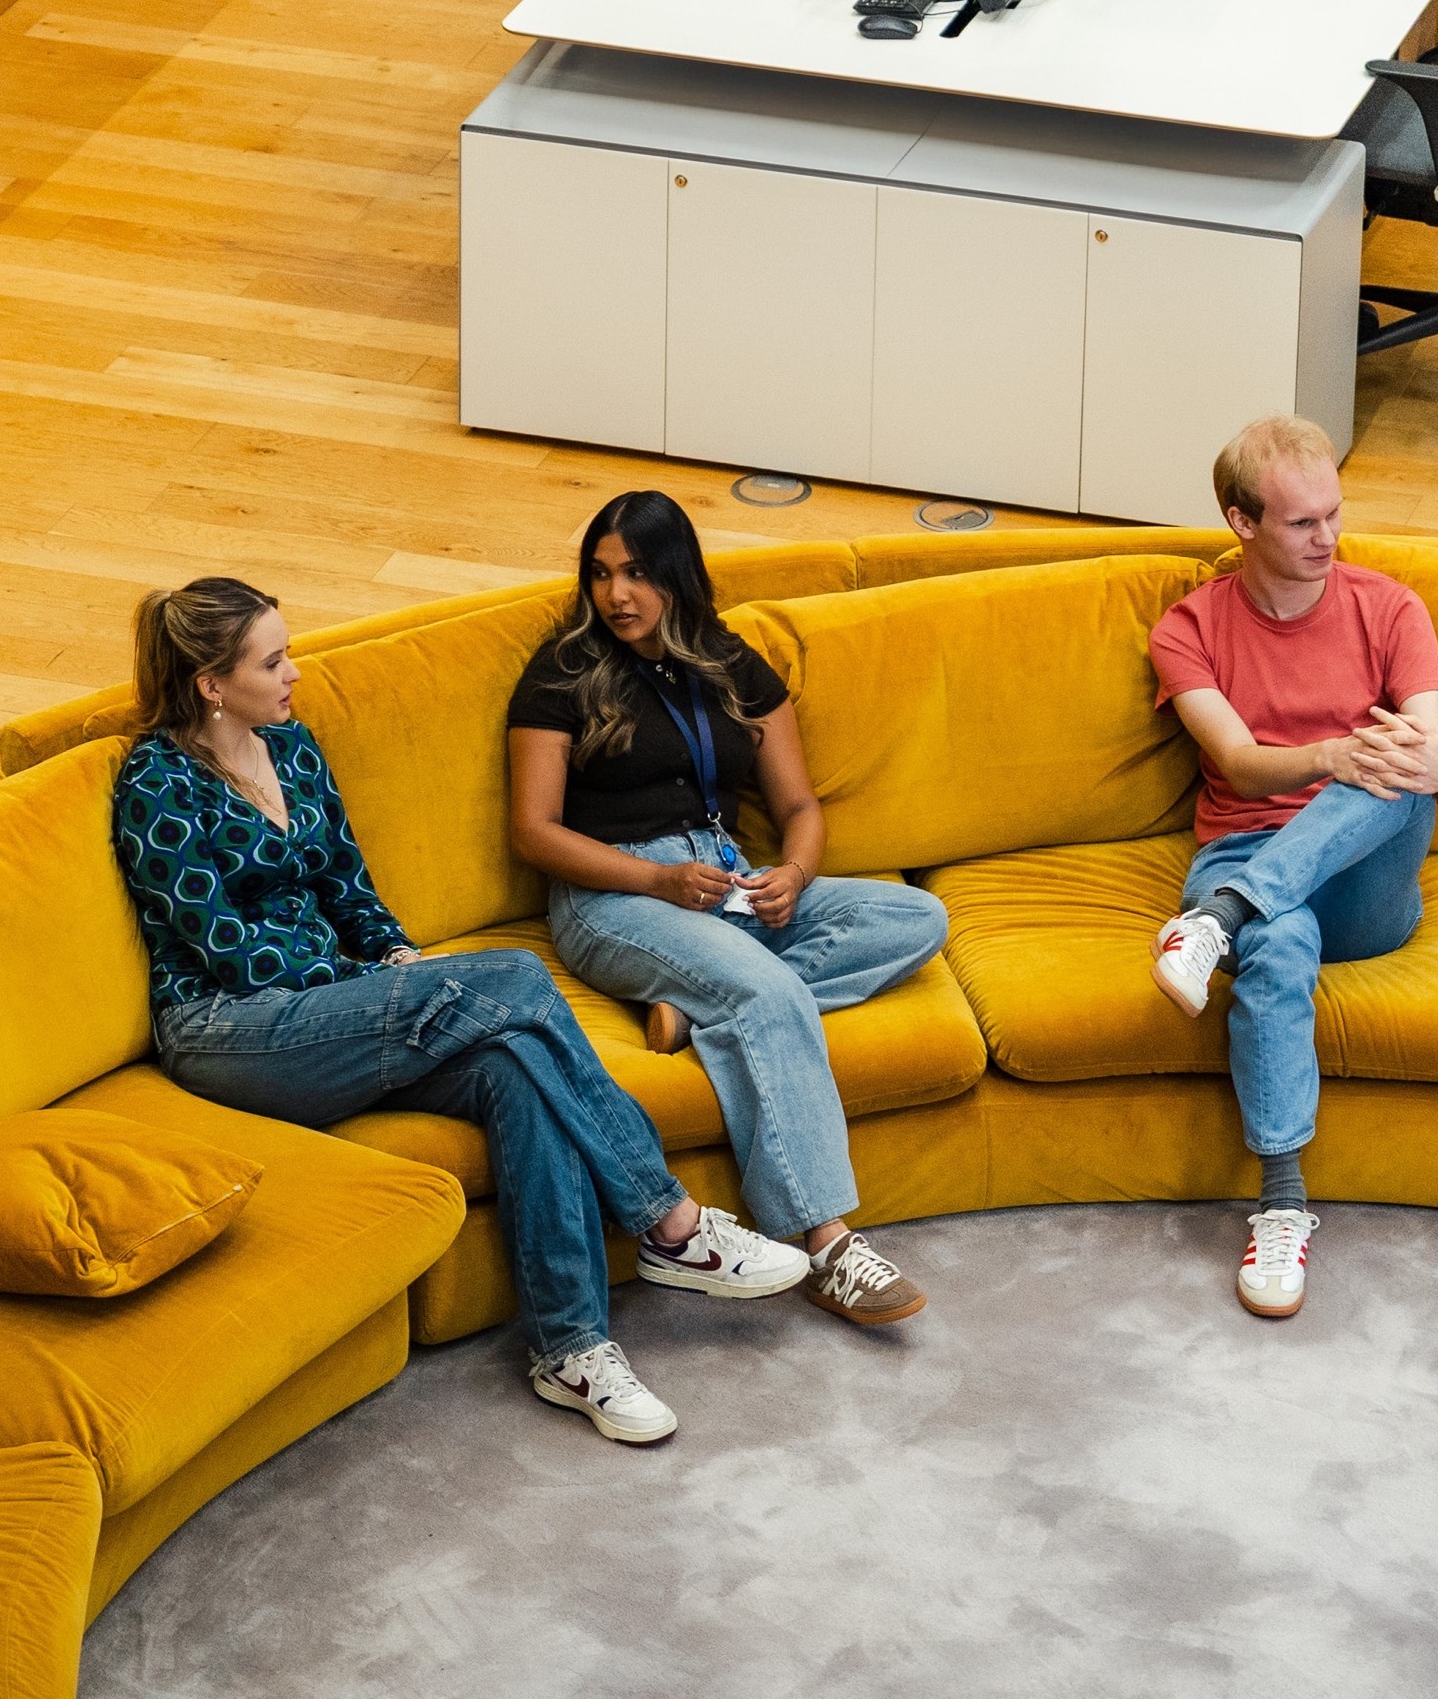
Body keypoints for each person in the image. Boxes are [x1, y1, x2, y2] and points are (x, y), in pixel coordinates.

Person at [113, 576, 808, 1447]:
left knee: (512, 1065)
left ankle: (573, 1350)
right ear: (212, 684)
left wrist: (399, 958)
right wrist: (389, 991)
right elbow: (228, 948)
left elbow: (348, 888)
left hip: (337, 1004)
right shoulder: (157, 782)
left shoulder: (290, 747)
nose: (296, 671)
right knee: (511, 979)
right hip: (231, 1030)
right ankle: (668, 1219)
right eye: (274, 659)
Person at [510, 491, 947, 1327]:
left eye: (637, 572)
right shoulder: (564, 669)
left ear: (677, 573)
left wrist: (793, 870)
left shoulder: (732, 663)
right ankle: (827, 1243)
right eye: (600, 575)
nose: (617, 596)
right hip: (614, 896)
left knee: (915, 919)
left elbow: (802, 807)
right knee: (769, 994)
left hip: (729, 880)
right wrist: (654, 880)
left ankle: (693, 1012)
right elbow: (533, 832)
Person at [1146, 416, 1438, 1320]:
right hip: (1249, 848)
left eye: (1334, 515)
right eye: (1301, 523)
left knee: (1396, 767)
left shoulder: (1390, 606)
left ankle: (1220, 919)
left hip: (1367, 884)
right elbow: (1241, 762)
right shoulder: (1189, 628)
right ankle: (1283, 1203)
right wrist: (1333, 755)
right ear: (1240, 521)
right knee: (1281, 942)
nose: (1328, 538)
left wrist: (1389, 761)